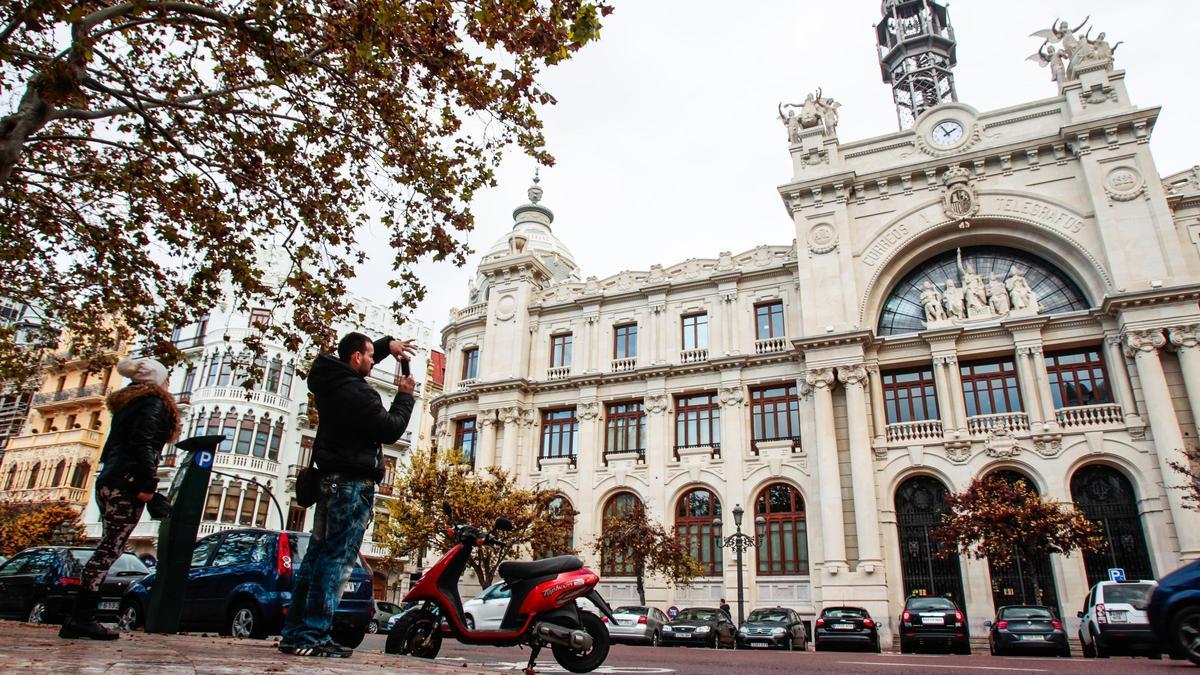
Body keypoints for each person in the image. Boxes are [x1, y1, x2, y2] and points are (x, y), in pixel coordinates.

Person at [280, 332, 417, 657]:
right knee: (336, 560)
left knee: (315, 557)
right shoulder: (359, 394)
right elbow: (390, 428)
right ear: (357, 358)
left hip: (329, 480)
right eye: (370, 356)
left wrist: (386, 347)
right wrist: (405, 397)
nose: (373, 361)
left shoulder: (330, 381)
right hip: (352, 484)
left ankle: (295, 634)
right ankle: (314, 635)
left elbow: (358, 365)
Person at [61, 357, 179, 640]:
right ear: (156, 381)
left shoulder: (127, 405)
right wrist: (148, 485)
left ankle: (79, 617)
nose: (168, 383)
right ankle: (82, 618)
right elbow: (143, 443)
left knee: (108, 547)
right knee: (108, 551)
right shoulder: (154, 403)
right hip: (126, 484)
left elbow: (115, 447)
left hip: (108, 481)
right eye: (166, 378)